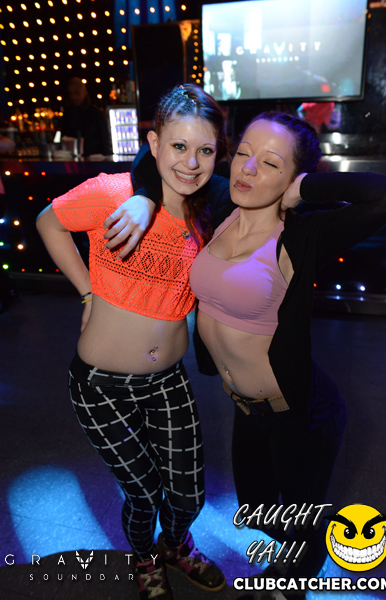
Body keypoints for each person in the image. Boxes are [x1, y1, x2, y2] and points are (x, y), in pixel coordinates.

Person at [105, 111, 386, 599]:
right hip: (246, 409)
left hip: (299, 413)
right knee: (259, 508)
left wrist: (306, 188)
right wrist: (143, 197)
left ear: (293, 177)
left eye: (270, 163)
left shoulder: (302, 234)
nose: (246, 168)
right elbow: (152, 156)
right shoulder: (224, 205)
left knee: (301, 521)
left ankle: (293, 583)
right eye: (243, 152)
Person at [36, 84, 229, 600]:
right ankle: (146, 558)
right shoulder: (112, 193)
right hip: (100, 387)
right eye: (179, 146)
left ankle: (177, 545)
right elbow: (48, 221)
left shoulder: (210, 211)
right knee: (143, 493)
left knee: (188, 493)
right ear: (154, 143)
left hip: (168, 380)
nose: (191, 163)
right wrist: (86, 291)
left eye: (205, 150)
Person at [59, 77, 112, 157]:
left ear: (84, 92)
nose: (73, 97)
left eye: (77, 93)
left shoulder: (96, 114)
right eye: (71, 94)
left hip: (93, 160)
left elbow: (105, 143)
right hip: (76, 159)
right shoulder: (67, 114)